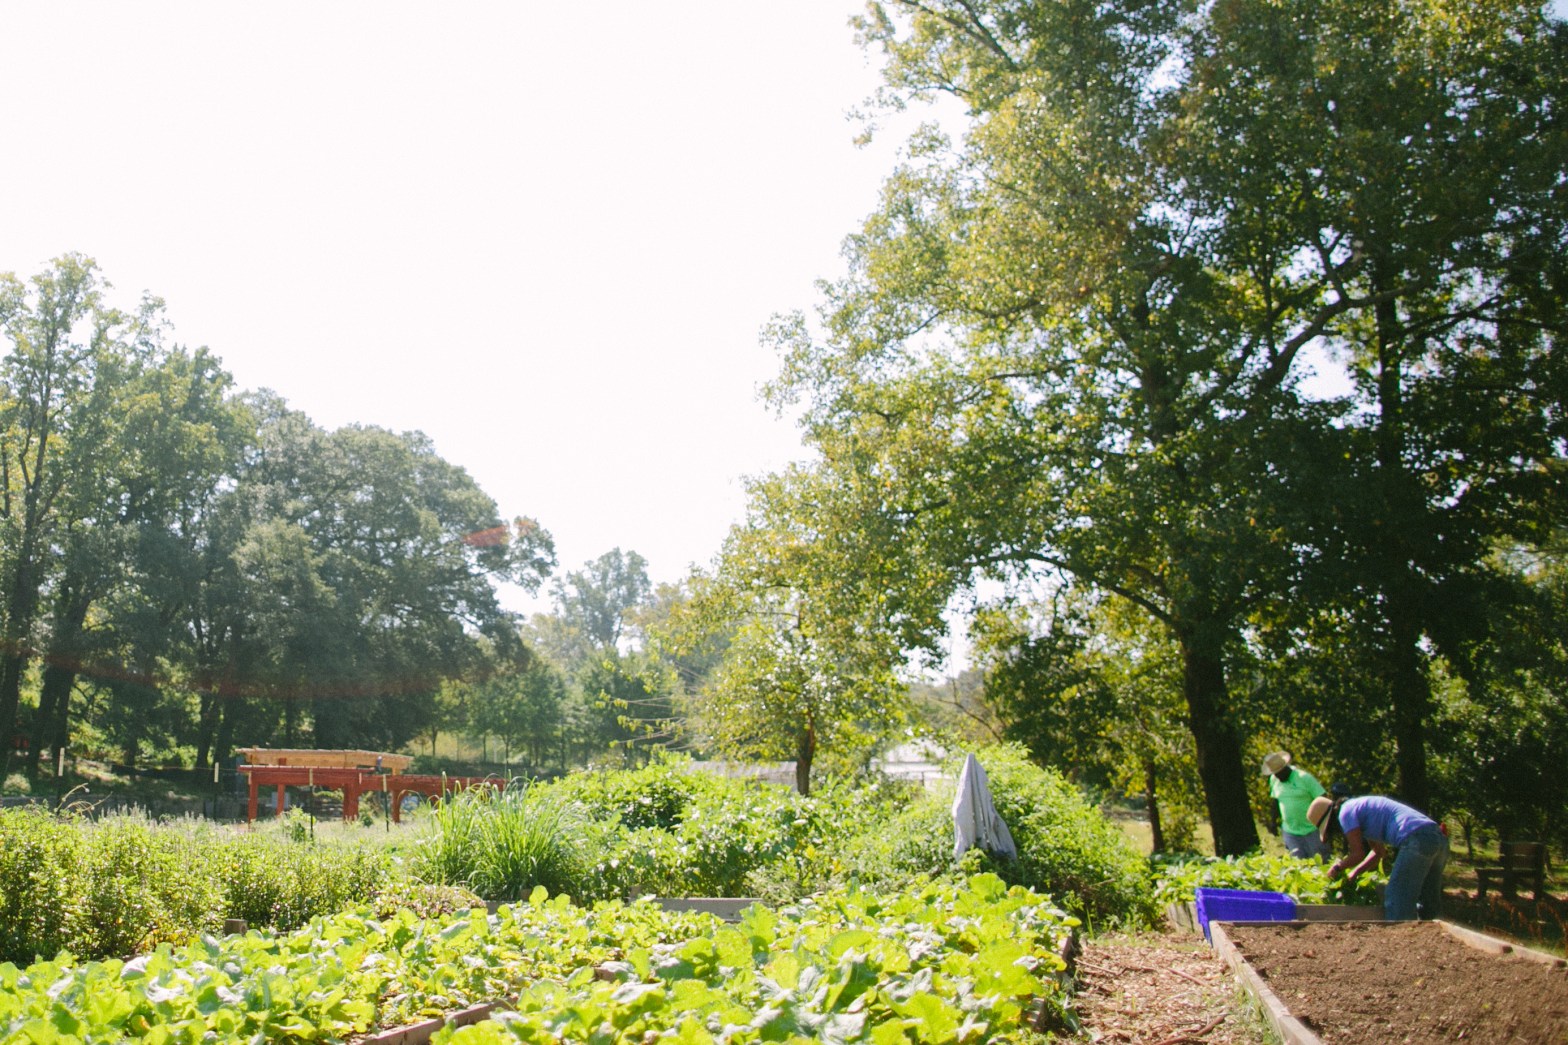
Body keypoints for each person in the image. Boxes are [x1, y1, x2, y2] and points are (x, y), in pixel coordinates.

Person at [1308, 793, 1450, 921]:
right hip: (1438, 837)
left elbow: (1357, 854)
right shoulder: (1360, 809)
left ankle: (1400, 937)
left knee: (1397, 896)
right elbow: (1378, 852)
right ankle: (1431, 935)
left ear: (1331, 821)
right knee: (1428, 898)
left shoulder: (1345, 813)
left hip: (1417, 839)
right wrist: (1355, 872)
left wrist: (1337, 867)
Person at [1261, 751, 1329, 860]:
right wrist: (1273, 822)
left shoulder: (1304, 778)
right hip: (1290, 832)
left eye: (1279, 773)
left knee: (1320, 862)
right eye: (1275, 773)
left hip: (1313, 830)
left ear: (1285, 767)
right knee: (1298, 865)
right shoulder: (1274, 780)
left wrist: (1324, 825)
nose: (1278, 776)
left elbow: (1323, 798)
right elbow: (1276, 801)